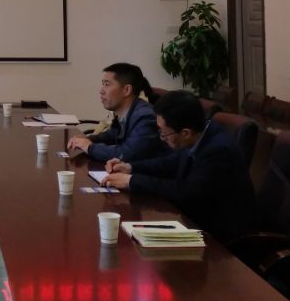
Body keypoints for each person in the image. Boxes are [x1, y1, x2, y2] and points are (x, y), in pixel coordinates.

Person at [101, 89, 255, 244]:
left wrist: (132, 181)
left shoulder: (218, 151)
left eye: (164, 134)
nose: (162, 138)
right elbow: (170, 163)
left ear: (185, 133)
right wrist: (130, 167)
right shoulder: (200, 133)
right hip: (193, 221)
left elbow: (185, 191)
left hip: (219, 238)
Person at [66, 62, 166, 162]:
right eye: (103, 84)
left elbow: (126, 154)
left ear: (127, 90)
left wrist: (89, 147)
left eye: (107, 84)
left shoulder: (145, 117)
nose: (101, 91)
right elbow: (111, 135)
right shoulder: (125, 112)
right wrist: (88, 139)